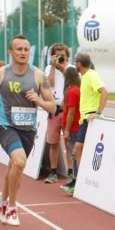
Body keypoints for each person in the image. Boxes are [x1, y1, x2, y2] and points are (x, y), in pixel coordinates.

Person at [0, 35, 56, 226]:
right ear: (11, 52)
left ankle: (2, 200)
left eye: (26, 49)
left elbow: (52, 106)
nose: (23, 53)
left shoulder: (38, 76)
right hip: (5, 125)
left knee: (15, 167)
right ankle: (12, 207)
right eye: (19, 49)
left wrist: (39, 100)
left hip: (27, 129)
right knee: (19, 162)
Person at [62, 52, 108, 196]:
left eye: (75, 62)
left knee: (76, 151)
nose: (74, 65)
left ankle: (82, 184)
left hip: (89, 118)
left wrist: (98, 113)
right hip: (85, 119)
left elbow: (105, 92)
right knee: (79, 151)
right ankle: (81, 183)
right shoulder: (85, 76)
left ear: (79, 63)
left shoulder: (92, 75)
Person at [43, 43, 71, 184]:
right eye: (57, 55)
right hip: (54, 110)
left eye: (63, 56)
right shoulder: (49, 68)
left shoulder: (71, 68)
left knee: (68, 142)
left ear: (67, 56)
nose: (60, 58)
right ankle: (53, 172)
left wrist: (62, 66)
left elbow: (72, 82)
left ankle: (71, 172)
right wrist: (54, 66)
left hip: (68, 110)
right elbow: (49, 83)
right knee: (53, 142)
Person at [61, 66, 81, 186]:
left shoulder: (73, 91)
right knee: (75, 154)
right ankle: (75, 178)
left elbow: (71, 112)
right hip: (74, 126)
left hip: (73, 127)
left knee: (75, 154)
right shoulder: (76, 90)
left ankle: (76, 180)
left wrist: (67, 130)